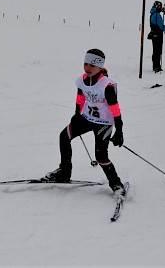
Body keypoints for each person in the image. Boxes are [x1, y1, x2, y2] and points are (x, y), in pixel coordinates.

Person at [44, 49, 126, 198]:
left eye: (92, 66)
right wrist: (77, 114)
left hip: (104, 123)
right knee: (64, 136)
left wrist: (119, 130)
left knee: (101, 156)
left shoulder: (106, 86)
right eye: (85, 64)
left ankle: (116, 184)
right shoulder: (81, 80)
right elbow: (80, 97)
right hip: (86, 118)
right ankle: (64, 171)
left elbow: (115, 109)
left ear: (100, 67)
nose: (87, 68)